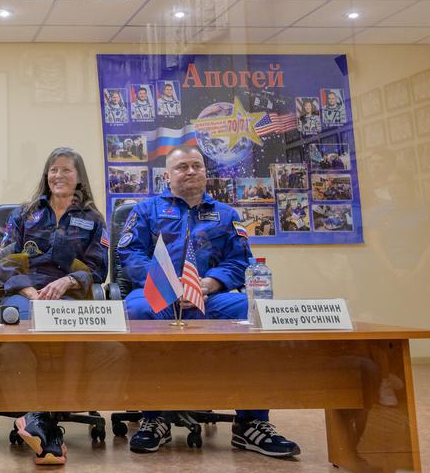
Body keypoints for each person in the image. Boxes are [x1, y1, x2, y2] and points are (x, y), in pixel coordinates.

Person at [118, 146, 300, 459]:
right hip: (159, 295)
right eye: (182, 167)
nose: (190, 171)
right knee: (135, 310)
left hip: (209, 297)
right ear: (167, 176)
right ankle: (154, 416)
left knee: (253, 311)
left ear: (205, 171)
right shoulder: (146, 211)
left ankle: (251, 422)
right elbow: (130, 255)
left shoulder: (227, 215)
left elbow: (240, 260)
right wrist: (169, 285)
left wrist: (211, 283)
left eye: (196, 166)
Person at [0, 147, 108, 465]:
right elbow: (3, 262)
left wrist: (67, 282)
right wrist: (31, 292)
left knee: (62, 331)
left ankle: (40, 419)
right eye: (53, 170)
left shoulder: (92, 219)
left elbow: (98, 268)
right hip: (25, 295)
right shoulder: (25, 214)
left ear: (79, 177)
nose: (58, 175)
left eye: (66, 170)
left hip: (70, 296)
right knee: (28, 326)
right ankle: (42, 418)